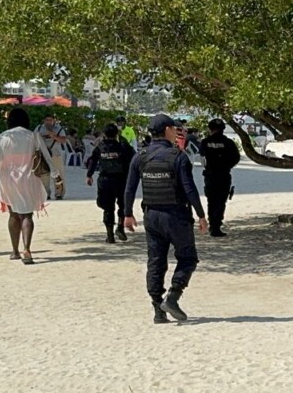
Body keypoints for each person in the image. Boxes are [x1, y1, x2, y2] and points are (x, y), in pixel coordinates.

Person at [124, 113, 208, 324]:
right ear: (168, 130)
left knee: (156, 262)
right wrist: (201, 215)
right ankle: (173, 296)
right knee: (188, 258)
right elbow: (189, 188)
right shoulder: (178, 156)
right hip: (176, 215)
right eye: (174, 128)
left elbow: (129, 188)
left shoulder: (140, 156)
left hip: (151, 216)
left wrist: (127, 214)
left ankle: (157, 309)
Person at [0, 108, 60, 264]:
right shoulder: (33, 136)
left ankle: (15, 251)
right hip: (29, 178)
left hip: (8, 180)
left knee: (13, 214)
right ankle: (27, 249)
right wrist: (56, 176)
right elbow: (47, 158)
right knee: (27, 215)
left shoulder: (2, 137)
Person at [85, 123, 136, 243]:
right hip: (121, 180)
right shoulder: (124, 147)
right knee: (122, 205)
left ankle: (110, 235)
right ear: (117, 134)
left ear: (104, 134)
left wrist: (89, 175)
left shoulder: (100, 147)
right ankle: (120, 228)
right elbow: (135, 159)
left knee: (108, 208)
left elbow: (92, 161)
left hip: (105, 181)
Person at [199, 118, 240, 237]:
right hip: (223, 174)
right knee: (221, 201)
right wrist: (226, 166)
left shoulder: (205, 142)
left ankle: (212, 225)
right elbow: (236, 158)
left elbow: (202, 158)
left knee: (211, 201)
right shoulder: (228, 143)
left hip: (210, 175)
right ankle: (216, 226)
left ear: (210, 129)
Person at [35, 114, 68, 200]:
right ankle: (45, 193)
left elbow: (63, 140)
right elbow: (34, 138)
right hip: (43, 155)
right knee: (44, 175)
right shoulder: (39, 128)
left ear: (54, 120)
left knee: (59, 174)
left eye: (50, 120)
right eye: (46, 120)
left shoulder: (59, 129)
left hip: (55, 155)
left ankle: (59, 193)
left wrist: (54, 136)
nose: (48, 122)